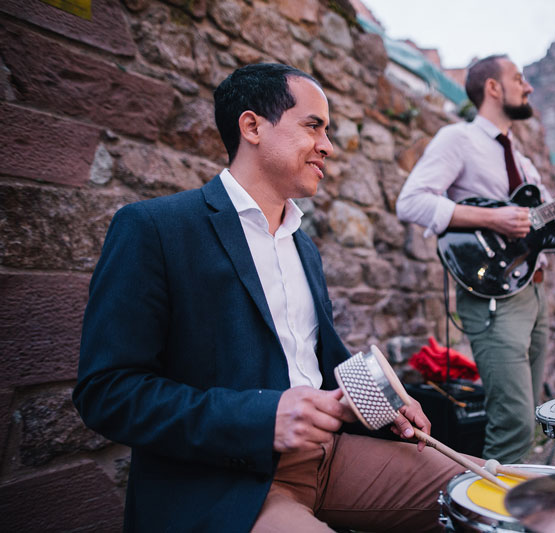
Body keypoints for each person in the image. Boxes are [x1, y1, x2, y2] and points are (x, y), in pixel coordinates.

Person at [72, 63, 467, 533]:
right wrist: (263, 418)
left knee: (494, 497)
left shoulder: (304, 245)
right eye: (313, 126)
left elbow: (317, 363)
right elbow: (107, 393)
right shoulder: (153, 227)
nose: (328, 146)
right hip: (223, 479)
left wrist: (383, 401)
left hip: (332, 456)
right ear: (253, 126)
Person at [395, 55, 555, 464]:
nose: (528, 87)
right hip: (493, 299)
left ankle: (516, 495)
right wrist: (492, 218)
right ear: (493, 88)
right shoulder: (458, 139)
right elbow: (410, 202)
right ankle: (488, 503)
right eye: (519, 79)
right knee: (512, 422)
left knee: (526, 420)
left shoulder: (524, 162)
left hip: (533, 294)